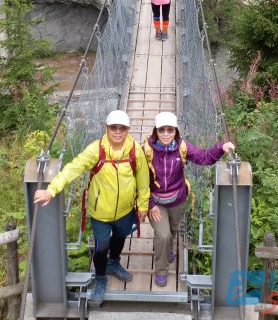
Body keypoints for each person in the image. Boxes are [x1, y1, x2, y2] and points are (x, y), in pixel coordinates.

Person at [34, 110, 150, 306]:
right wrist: (51, 190)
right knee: (101, 247)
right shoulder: (96, 150)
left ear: (128, 130)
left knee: (120, 237)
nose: (118, 132)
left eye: (122, 128)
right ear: (106, 128)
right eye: (114, 128)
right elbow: (73, 168)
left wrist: (143, 204)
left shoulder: (135, 150)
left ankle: (114, 262)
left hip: (125, 209)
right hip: (100, 212)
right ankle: (101, 278)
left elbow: (143, 179)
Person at [145, 112, 235, 287]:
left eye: (170, 130)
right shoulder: (146, 150)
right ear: (156, 131)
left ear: (175, 131)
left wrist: (221, 147)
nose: (166, 134)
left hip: (177, 198)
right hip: (155, 202)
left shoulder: (182, 147)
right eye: (162, 130)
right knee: (163, 235)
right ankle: (161, 270)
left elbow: (203, 157)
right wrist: (149, 204)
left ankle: (169, 249)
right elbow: (140, 181)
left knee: (172, 229)